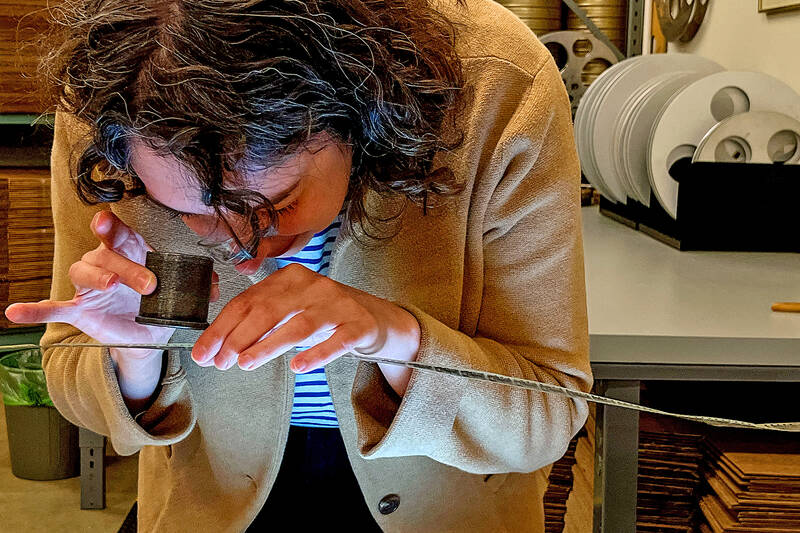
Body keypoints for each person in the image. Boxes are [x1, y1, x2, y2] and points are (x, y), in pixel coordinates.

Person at [5, 0, 592, 530]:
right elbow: (74, 381)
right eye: (186, 212)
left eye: (277, 204)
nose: (242, 249)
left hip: (451, 506)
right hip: (206, 502)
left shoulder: (497, 87)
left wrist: (398, 339)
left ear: (361, 111)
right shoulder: (112, 90)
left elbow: (548, 414)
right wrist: (134, 358)